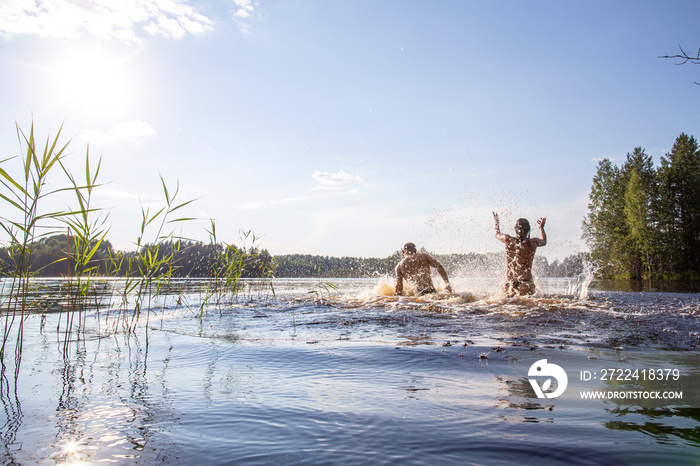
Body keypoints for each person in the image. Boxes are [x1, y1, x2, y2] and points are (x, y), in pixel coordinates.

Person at [492, 213, 547, 297]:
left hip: (509, 282)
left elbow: (497, 234)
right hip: (526, 282)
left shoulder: (508, 240)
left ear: (515, 228)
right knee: (528, 308)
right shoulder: (533, 242)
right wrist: (541, 228)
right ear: (528, 230)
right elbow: (544, 241)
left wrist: (497, 222)